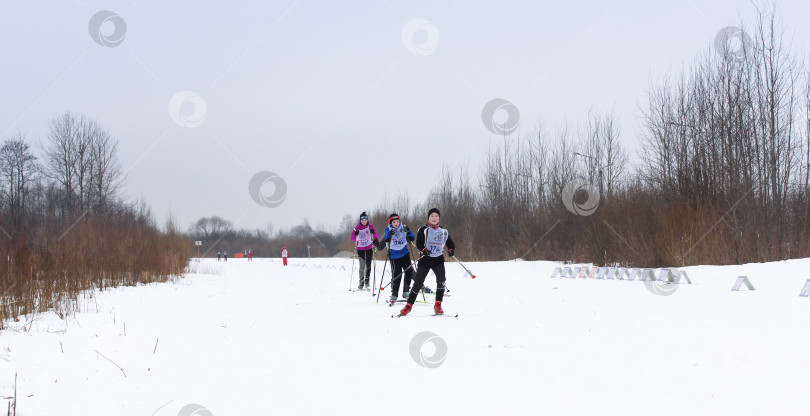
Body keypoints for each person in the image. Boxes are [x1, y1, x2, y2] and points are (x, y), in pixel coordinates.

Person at [399, 208, 455, 316]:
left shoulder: (443, 231)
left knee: (441, 280)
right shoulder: (423, 229)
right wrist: (423, 250)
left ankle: (438, 305)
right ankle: (408, 305)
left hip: (438, 259)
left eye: (436, 216)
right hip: (425, 259)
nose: (434, 218)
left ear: (439, 218)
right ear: (429, 217)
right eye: (432, 216)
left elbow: (450, 243)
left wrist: (451, 250)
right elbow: (419, 243)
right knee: (418, 283)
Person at [379, 213, 416, 305]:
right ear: (391, 222)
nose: (396, 223)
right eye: (394, 222)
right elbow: (386, 238)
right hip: (394, 255)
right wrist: (389, 234)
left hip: (404, 253)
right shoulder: (388, 229)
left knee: (409, 271)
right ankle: (394, 294)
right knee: (397, 274)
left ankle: (406, 291)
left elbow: (412, 238)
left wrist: (408, 231)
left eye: (397, 221)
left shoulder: (403, 227)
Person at [350, 212, 379, 290]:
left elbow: (376, 235)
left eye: (365, 220)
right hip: (360, 248)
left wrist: (374, 236)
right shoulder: (357, 227)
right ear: (360, 220)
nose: (364, 221)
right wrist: (355, 234)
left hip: (369, 247)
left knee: (368, 264)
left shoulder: (370, 226)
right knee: (362, 265)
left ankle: (367, 282)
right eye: (362, 220)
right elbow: (352, 238)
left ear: (367, 220)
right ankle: (361, 283)